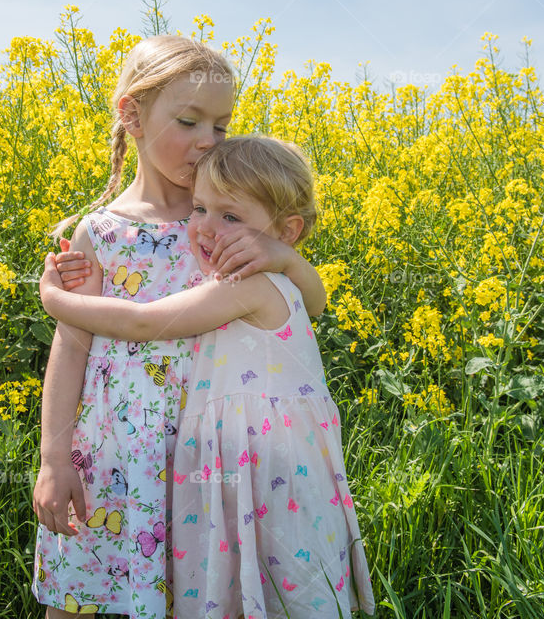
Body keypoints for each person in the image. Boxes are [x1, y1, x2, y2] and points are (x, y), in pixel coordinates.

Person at [31, 36, 329, 619]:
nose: (208, 142)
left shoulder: (227, 219)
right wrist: (53, 460)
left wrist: (288, 258)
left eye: (222, 126)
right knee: (82, 593)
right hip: (116, 452)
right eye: (189, 121)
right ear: (132, 116)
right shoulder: (101, 233)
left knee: (206, 593)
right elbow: (71, 348)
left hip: (212, 452)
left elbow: (306, 306)